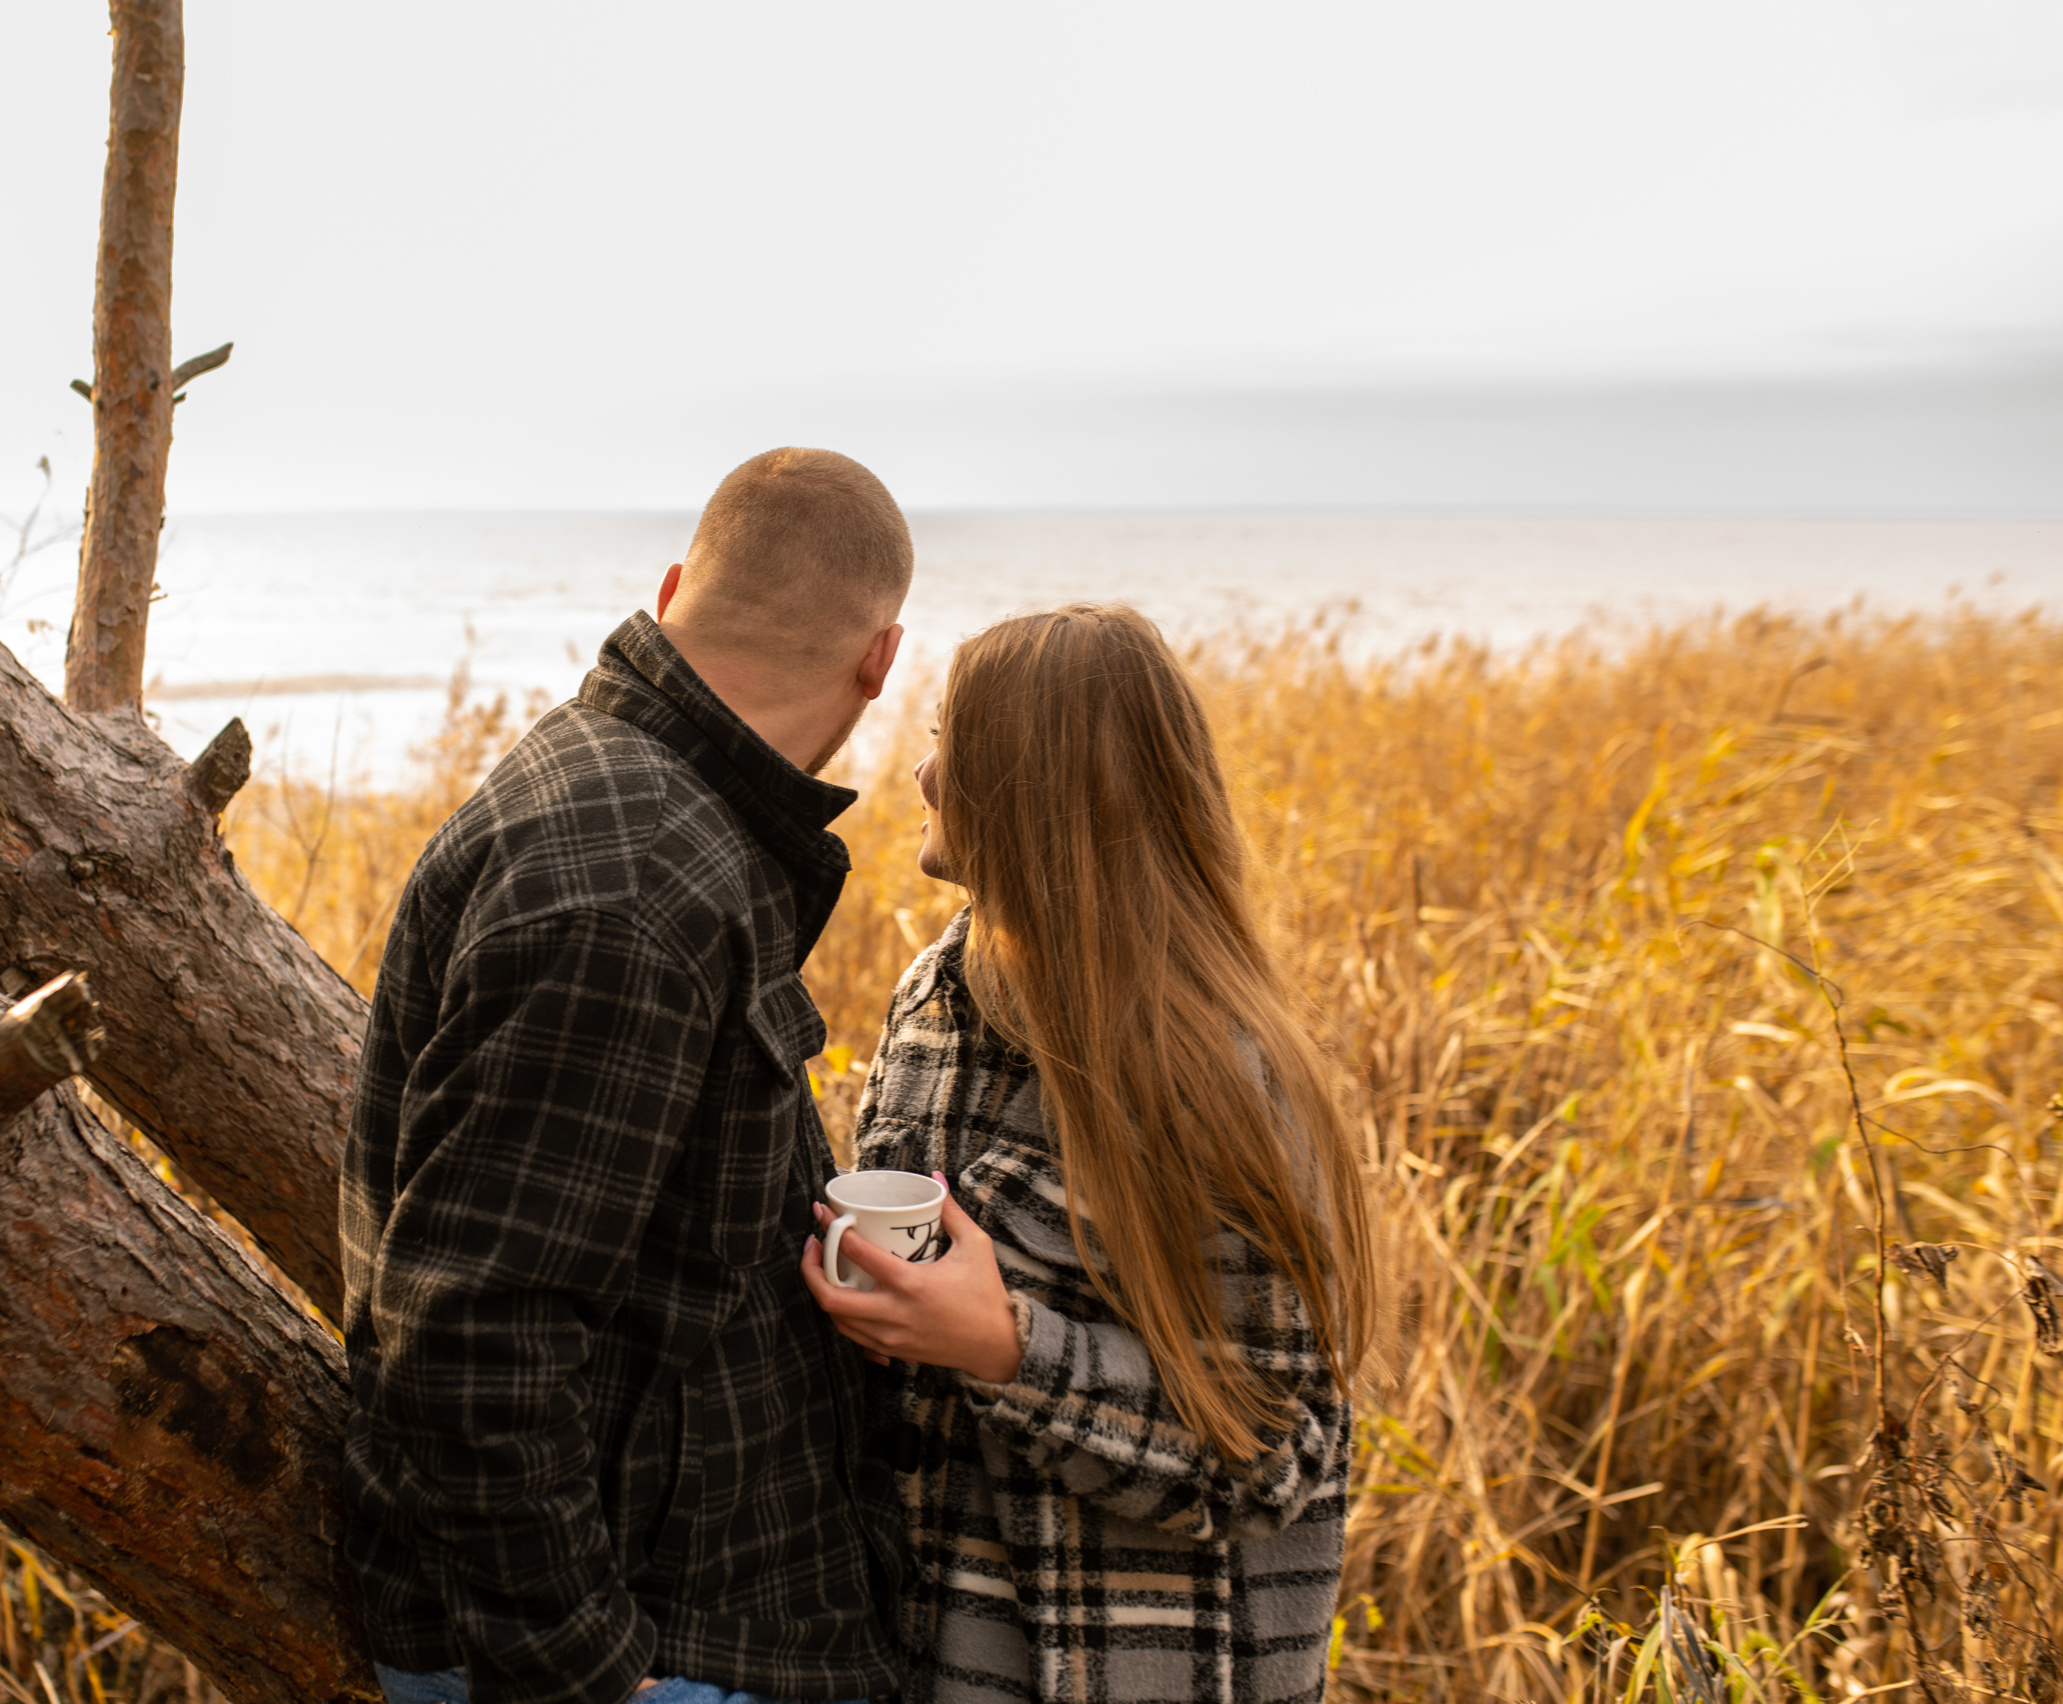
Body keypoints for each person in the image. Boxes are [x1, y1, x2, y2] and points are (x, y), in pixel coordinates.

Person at [343, 448, 915, 1704]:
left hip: (691, 1605)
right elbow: (472, 1323)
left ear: (670, 592)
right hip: (650, 1647)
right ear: (880, 661)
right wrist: (589, 1675)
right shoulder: (636, 881)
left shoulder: (636, 810)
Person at [800, 604, 1375, 1704]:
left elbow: (1282, 1458)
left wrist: (1010, 1349)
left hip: (1120, 1665)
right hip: (924, 1647)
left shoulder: (1213, 1074)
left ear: (1035, 783)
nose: (920, 775)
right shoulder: (937, 991)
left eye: (948, 742)